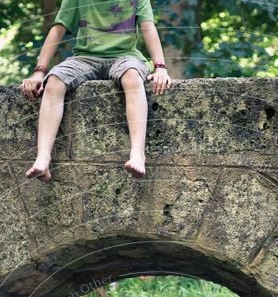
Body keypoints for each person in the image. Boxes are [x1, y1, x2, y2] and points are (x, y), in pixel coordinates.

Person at [21, 0, 172, 181]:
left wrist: (160, 67)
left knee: (132, 77)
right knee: (53, 82)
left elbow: (148, 28)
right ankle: (43, 158)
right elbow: (58, 29)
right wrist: (39, 72)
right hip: (85, 58)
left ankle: (138, 155)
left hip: (125, 57)